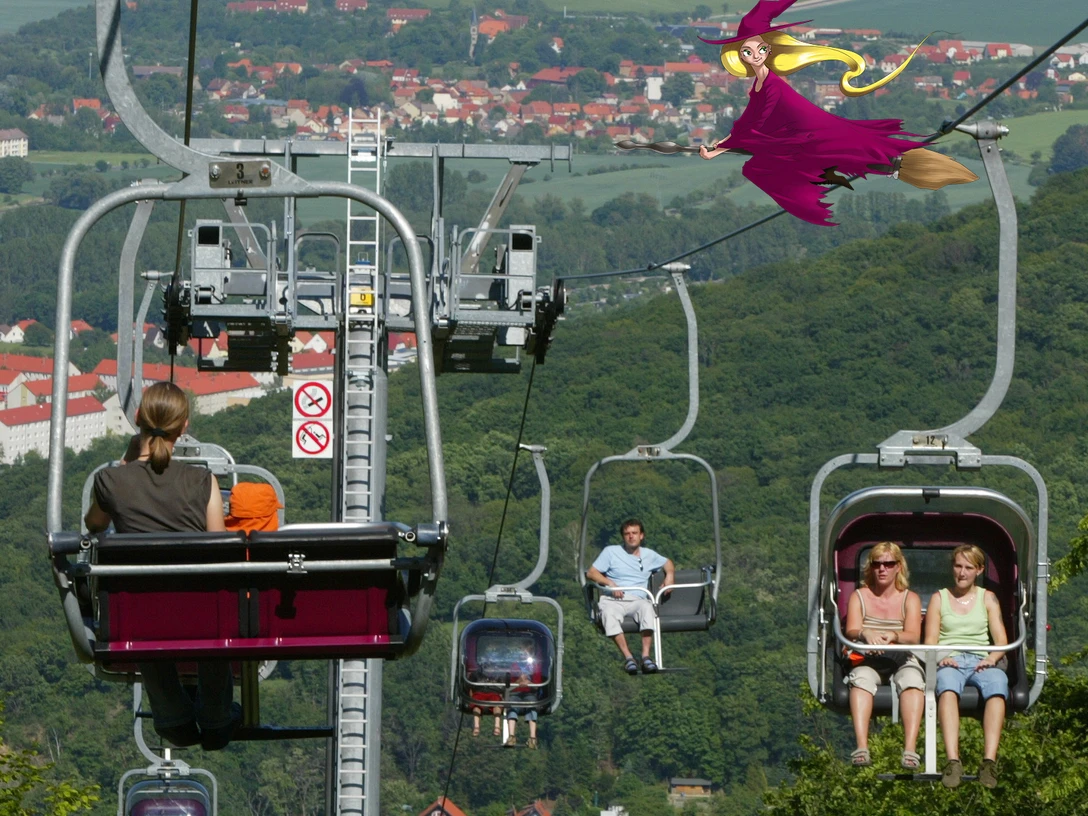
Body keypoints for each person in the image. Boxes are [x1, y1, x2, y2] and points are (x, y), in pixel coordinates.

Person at [696, 0, 977, 226]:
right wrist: (723, 145)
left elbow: (755, 121)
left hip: (813, 136)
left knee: (853, 156)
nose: (754, 54)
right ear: (740, 56)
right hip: (807, 137)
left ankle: (898, 168)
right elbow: (750, 120)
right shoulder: (762, 85)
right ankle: (899, 167)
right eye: (747, 52)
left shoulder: (771, 85)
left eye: (759, 48)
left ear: (768, 49)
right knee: (856, 157)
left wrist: (722, 147)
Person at [85, 382, 238, 751]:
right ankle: (216, 714)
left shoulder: (110, 482)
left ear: (137, 418)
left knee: (143, 607)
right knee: (214, 601)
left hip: (139, 614)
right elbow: (219, 546)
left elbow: (94, 524)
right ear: (183, 427)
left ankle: (172, 715)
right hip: (200, 613)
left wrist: (126, 462)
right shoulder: (202, 481)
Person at [924, 544, 1009, 789]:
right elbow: (930, 639)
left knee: (998, 685)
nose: (962, 573)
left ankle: (989, 762)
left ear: (979, 570)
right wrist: (940, 657)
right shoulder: (939, 598)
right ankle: (953, 761)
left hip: (980, 659)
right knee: (947, 687)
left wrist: (992, 658)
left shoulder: (987, 598)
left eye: (968, 568)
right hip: (950, 659)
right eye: (958, 566)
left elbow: (1001, 640)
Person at [843, 542, 924, 770]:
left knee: (912, 681)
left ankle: (910, 749)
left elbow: (913, 636)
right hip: (870, 657)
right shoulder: (860, 596)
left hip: (901, 656)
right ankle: (862, 747)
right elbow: (851, 630)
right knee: (861, 680)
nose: (882, 569)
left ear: (898, 567)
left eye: (888, 564)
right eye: (877, 564)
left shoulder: (910, 599)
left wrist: (893, 636)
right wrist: (865, 633)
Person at [586, 518, 675, 675]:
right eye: (627, 534)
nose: (631, 536)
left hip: (637, 599)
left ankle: (645, 657)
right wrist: (610, 583)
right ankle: (628, 658)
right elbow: (592, 573)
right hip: (614, 599)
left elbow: (667, 563)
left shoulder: (649, 555)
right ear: (623, 537)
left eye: (634, 533)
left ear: (641, 536)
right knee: (608, 613)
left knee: (647, 608)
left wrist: (670, 576)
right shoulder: (611, 552)